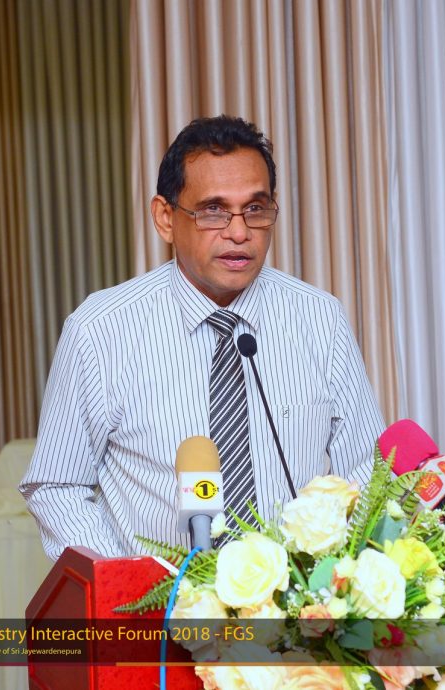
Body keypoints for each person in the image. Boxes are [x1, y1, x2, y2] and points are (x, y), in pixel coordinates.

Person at [20, 115, 385, 560]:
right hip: (160, 598)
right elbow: (57, 485)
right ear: (165, 218)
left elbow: (368, 470)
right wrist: (128, 586)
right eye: (213, 210)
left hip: (300, 597)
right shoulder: (101, 330)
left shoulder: (319, 318)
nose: (239, 232)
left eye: (256, 209)